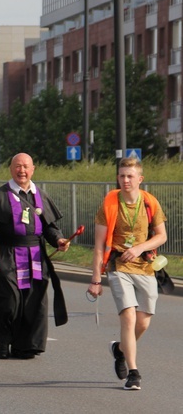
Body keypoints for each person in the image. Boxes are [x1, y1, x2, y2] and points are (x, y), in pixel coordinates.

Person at [0, 152, 70, 360]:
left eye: (26, 166)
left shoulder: (41, 196)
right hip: (8, 254)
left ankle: (26, 345)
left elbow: (50, 228)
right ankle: (3, 341)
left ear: (33, 169)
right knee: (8, 301)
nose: (22, 170)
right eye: (18, 166)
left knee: (34, 301)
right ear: (11, 169)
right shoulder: (0, 195)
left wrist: (58, 240)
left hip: (36, 255)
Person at [88, 157, 167, 391]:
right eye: (122, 175)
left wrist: (140, 248)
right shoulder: (110, 203)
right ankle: (134, 372)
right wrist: (95, 279)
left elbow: (161, 235)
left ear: (140, 179)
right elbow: (100, 245)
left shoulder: (150, 202)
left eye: (130, 176)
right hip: (118, 265)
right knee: (129, 317)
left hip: (144, 266)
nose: (125, 180)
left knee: (143, 322)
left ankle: (119, 350)